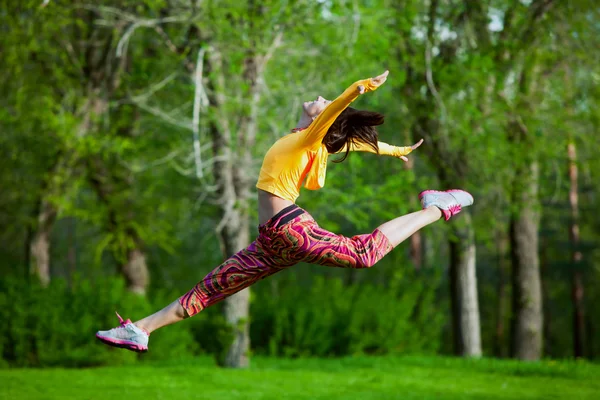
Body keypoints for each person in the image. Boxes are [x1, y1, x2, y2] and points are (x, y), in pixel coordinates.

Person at [96, 70, 473, 352]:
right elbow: (355, 142)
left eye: (324, 104)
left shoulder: (311, 137)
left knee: (364, 253)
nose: (320, 98)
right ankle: (141, 330)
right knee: (211, 289)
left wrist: (360, 89)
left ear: (321, 121)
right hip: (271, 241)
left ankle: (437, 207)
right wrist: (396, 150)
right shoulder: (307, 143)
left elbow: (335, 114)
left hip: (290, 228)